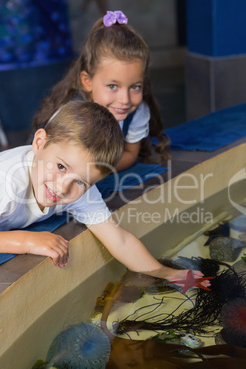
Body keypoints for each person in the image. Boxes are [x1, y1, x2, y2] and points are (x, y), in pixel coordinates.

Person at [0, 101, 208, 288]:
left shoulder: (79, 188)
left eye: (81, 181)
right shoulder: (8, 183)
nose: (63, 187)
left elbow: (120, 241)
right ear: (39, 143)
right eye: (61, 166)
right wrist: (26, 241)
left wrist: (169, 274)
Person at [32, 10, 171, 172]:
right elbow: (52, 162)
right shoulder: (71, 115)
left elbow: (130, 153)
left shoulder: (136, 113)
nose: (125, 99)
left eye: (135, 87)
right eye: (113, 86)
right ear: (87, 82)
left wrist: (96, 172)